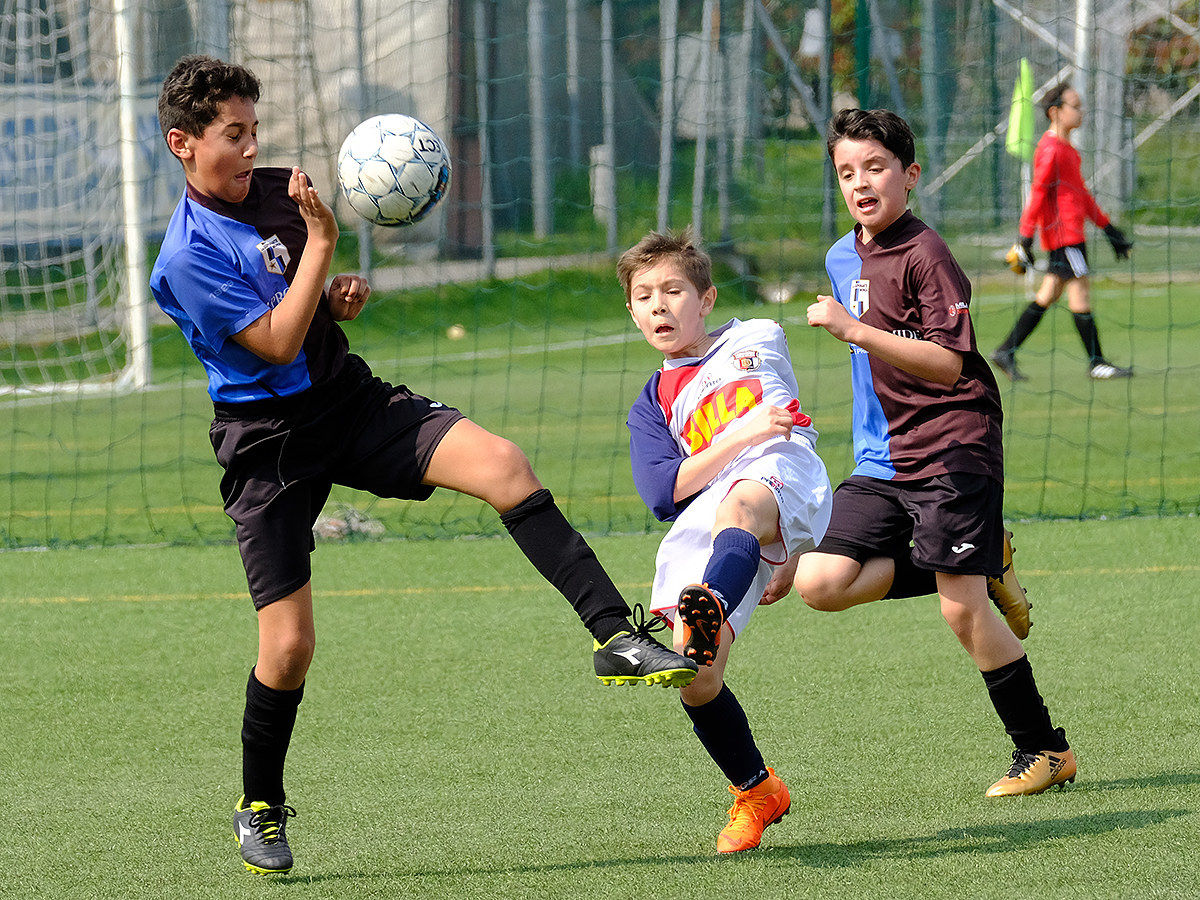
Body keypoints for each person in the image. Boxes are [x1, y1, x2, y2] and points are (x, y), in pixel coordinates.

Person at [149, 55, 696, 876]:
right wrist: (326, 247)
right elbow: (272, 341)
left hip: (346, 401)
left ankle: (615, 636)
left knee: (505, 465)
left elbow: (299, 311)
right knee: (289, 646)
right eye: (233, 135)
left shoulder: (274, 192)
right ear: (181, 144)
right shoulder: (185, 254)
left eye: (254, 129)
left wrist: (332, 294)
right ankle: (259, 802)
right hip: (269, 446)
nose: (251, 146)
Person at [795, 107, 1076, 799]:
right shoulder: (839, 256)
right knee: (820, 582)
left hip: (955, 444)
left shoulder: (928, 254)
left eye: (877, 168)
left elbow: (951, 365)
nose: (862, 184)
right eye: (847, 172)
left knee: (960, 610)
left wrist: (855, 329)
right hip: (884, 458)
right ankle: (986, 560)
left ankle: (1045, 750)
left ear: (909, 175)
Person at [618, 227, 833, 853]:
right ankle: (757, 789)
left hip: (779, 474)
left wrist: (787, 543)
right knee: (697, 679)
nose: (660, 306)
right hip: (715, 509)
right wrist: (735, 439)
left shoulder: (756, 337)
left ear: (707, 299)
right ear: (631, 311)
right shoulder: (652, 403)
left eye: (674, 290)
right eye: (643, 295)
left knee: (741, 500)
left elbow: (777, 420)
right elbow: (664, 492)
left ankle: (710, 597)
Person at [992, 82, 1134, 382]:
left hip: (1070, 236)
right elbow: (1038, 193)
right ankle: (1097, 363)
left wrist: (1109, 230)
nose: (1081, 111)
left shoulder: (1066, 150)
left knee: (1047, 295)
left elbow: (1081, 196)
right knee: (1080, 293)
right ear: (1055, 112)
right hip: (1065, 238)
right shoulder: (1051, 150)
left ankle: (1006, 351)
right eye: (1075, 105)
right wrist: (1025, 238)